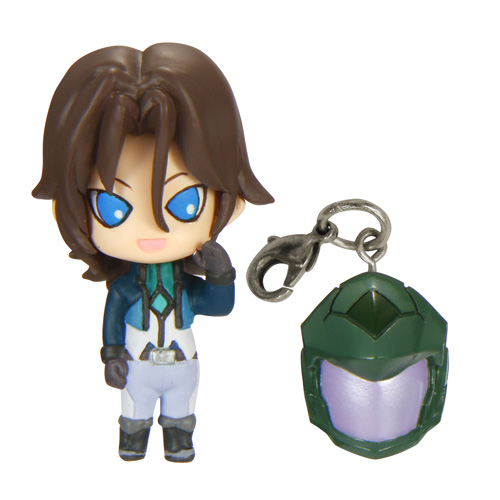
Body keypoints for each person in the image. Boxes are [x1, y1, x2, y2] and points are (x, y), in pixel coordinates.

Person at [32, 43, 273, 462]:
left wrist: (221, 276)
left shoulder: (184, 288)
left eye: (185, 203)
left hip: (182, 364)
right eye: (112, 208)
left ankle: (179, 439)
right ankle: (133, 438)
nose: (152, 230)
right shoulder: (125, 288)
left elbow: (218, 306)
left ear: (232, 202)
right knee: (134, 409)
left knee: (182, 409)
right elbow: (112, 322)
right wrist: (111, 355)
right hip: (137, 364)